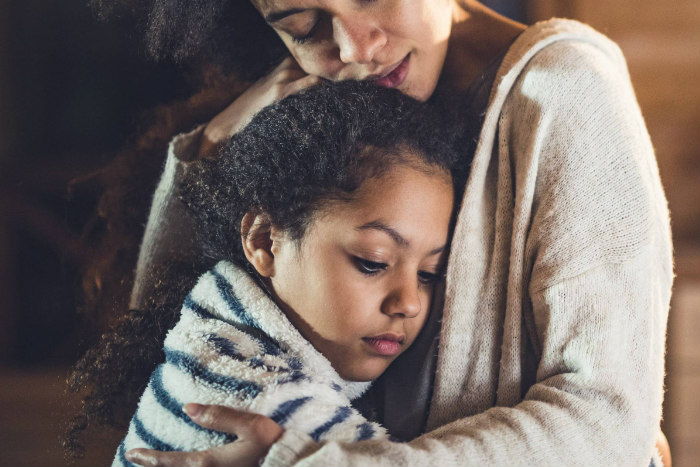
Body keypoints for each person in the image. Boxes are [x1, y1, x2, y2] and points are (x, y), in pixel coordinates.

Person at [70, 1, 673, 466]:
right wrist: (213, 146)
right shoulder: (317, 104)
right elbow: (164, 349)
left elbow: (608, 419)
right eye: (304, 24)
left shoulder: (564, 92)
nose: (356, 47)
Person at [113, 80, 467, 466]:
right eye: (373, 262)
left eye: (429, 273)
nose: (410, 304)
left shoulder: (214, 337)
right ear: (265, 241)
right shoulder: (269, 404)